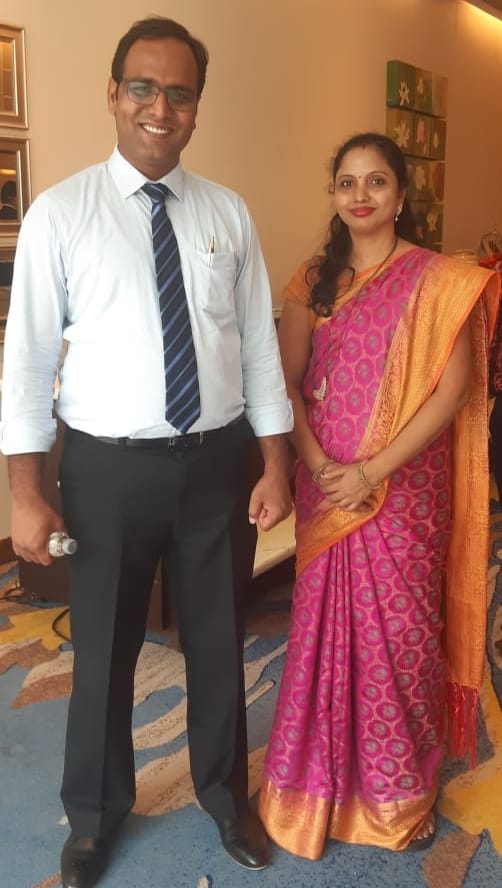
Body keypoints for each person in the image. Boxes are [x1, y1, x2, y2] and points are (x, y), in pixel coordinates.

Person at [0, 16, 292, 888]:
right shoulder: (62, 214)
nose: (160, 108)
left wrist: (275, 464)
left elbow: (259, 349)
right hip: (106, 473)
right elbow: (28, 362)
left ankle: (224, 796)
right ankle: (95, 818)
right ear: (113, 94)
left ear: (197, 107)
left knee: (217, 638)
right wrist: (25, 492)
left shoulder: (227, 213)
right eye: (142, 88)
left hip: (215, 464)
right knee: (104, 650)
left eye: (179, 93)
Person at [258, 132, 500, 859]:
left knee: (401, 636)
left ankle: (397, 796)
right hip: (325, 483)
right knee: (321, 635)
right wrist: (317, 462)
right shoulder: (312, 281)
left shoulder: (440, 280)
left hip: (405, 489)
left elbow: (452, 391)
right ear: (333, 195)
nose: (360, 195)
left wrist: (372, 470)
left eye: (376, 182)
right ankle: (313, 788)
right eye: (347, 183)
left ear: (400, 195)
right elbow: (287, 384)